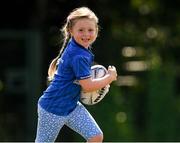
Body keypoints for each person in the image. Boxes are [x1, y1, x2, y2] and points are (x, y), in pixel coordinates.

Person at [35, 6, 117, 143]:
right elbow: (88, 86)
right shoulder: (78, 55)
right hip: (52, 109)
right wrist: (109, 77)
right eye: (81, 30)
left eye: (90, 30)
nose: (86, 34)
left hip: (71, 106)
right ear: (71, 31)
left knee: (95, 136)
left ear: (97, 31)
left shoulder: (79, 48)